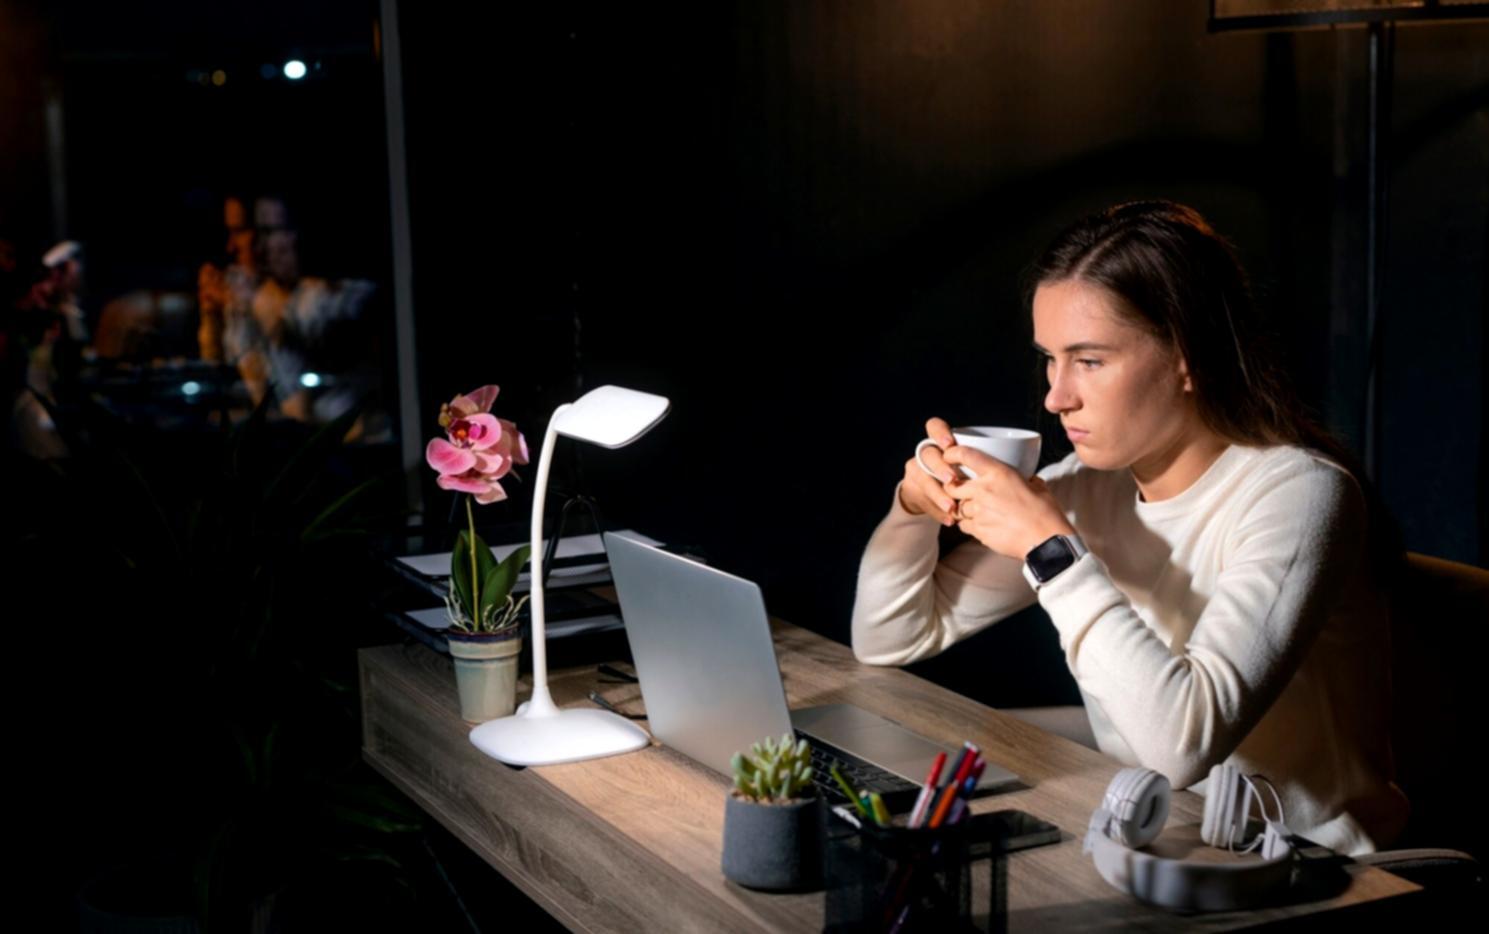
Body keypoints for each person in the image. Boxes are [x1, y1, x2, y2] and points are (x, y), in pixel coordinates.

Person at [850, 200, 1409, 857]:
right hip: (1154, 838)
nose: (1056, 396)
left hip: (1313, 872)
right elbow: (889, 636)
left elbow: (1180, 746)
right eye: (1050, 360)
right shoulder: (1087, 489)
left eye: (1087, 361)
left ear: (1187, 356)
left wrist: (1048, 549)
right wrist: (913, 513)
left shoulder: (1299, 496)